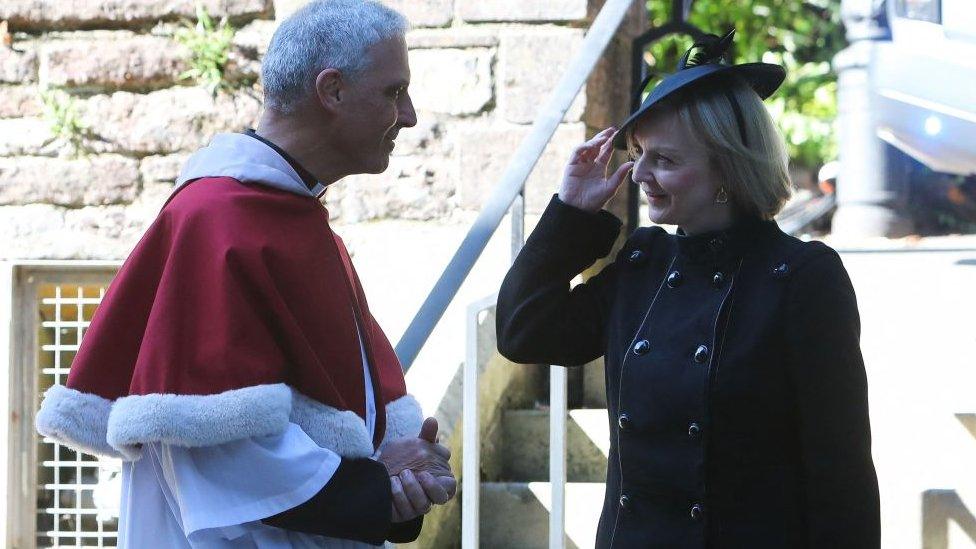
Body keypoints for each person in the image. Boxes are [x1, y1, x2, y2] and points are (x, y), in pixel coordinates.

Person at [35, 1, 456, 547]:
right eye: (392, 92)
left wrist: (400, 476)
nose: (409, 116)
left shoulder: (295, 217)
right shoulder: (218, 220)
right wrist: (379, 484)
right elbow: (216, 442)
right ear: (332, 92)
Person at [495, 30, 880, 548]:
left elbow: (841, 472)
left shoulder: (802, 277)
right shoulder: (645, 263)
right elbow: (524, 332)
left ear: (728, 168)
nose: (640, 176)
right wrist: (570, 213)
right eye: (640, 154)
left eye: (666, 160)